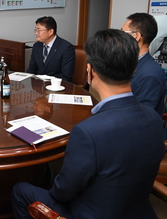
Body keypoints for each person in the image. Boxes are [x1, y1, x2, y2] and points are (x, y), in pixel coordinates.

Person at [12, 29, 165, 219]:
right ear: (134, 69)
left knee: (20, 190)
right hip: (139, 210)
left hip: (91, 213)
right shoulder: (154, 118)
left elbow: (62, 192)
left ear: (90, 71)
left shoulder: (88, 131)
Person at [121, 12, 166, 117]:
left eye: (123, 33)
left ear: (136, 36)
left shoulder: (150, 74)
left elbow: (141, 117)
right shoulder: (131, 63)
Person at [26, 16, 75, 81]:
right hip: (37, 86)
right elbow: (31, 70)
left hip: (56, 86)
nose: (36, 33)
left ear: (50, 32)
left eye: (39, 30)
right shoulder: (37, 46)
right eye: (35, 30)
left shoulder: (66, 48)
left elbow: (66, 76)